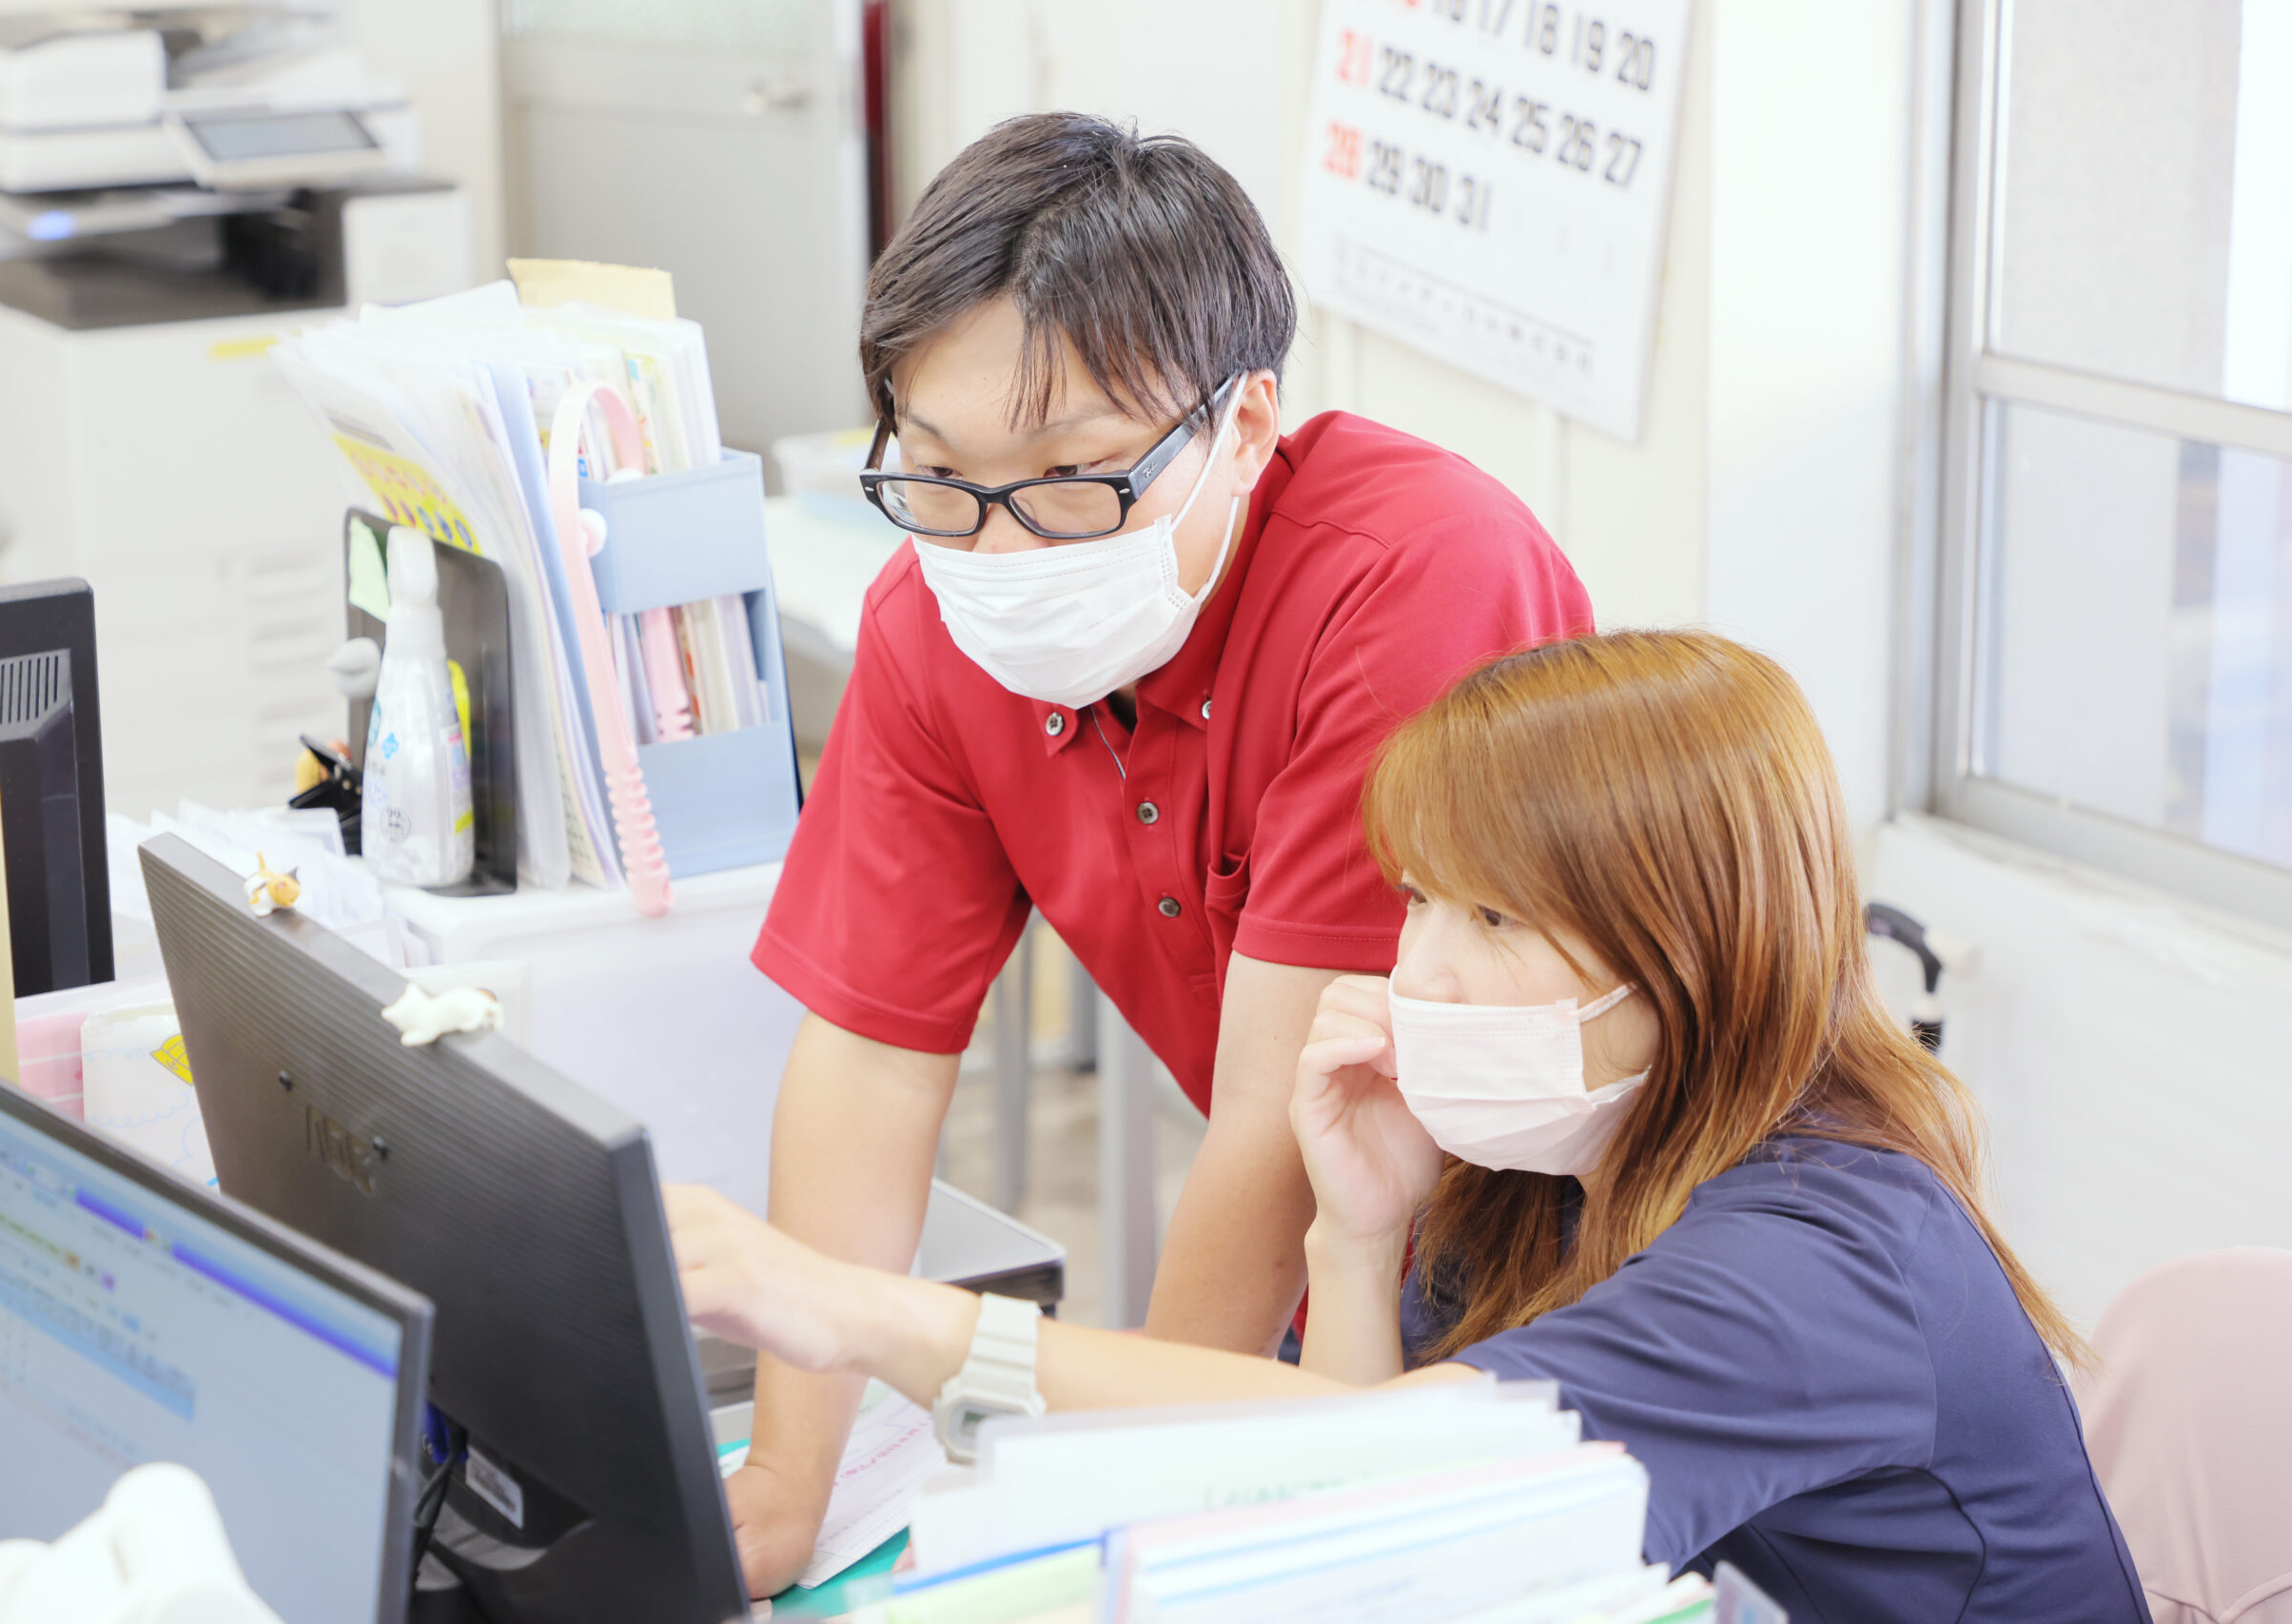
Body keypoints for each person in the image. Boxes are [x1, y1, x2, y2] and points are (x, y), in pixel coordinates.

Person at [676, 630, 2152, 1619]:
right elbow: (1373, 1514)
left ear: (1689, 955)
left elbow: (1401, 1477)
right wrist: (1357, 1234)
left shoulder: (1815, 1266)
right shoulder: (1570, 1155)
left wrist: (856, 1312)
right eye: (1422, 900)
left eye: (1496, 917)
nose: (1418, 970)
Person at [733, 113, 1591, 1589]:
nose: (997, 555)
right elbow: (872, 1056)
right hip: (1346, 1249)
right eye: (937, 477)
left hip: (1564, 1267)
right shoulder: (931, 622)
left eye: (1076, 481)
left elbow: (1270, 1114)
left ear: (1244, 426)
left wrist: (1132, 1511)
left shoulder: (1409, 580)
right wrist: (780, 1488)